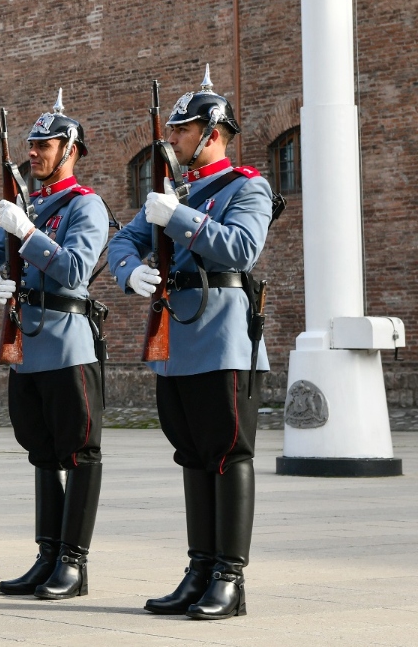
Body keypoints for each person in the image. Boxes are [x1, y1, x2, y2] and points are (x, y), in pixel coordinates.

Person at [108, 66, 272, 620]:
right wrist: (130, 271)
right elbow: (123, 243)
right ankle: (200, 568)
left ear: (213, 133)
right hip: (174, 339)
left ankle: (229, 576)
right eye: (173, 128)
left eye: (183, 130)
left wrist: (178, 218)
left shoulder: (247, 185)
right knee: (192, 455)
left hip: (223, 338)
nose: (172, 138)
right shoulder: (170, 192)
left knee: (227, 453)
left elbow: (242, 248)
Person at [0, 91, 108, 599]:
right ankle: (47, 554)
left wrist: (28, 233)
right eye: (31, 144)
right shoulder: (29, 207)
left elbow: (74, 269)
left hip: (67, 345)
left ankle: (73, 562)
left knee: (79, 452)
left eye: (43, 145)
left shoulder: (85, 205)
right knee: (42, 454)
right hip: (26, 347)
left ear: (70, 149)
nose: (33, 153)